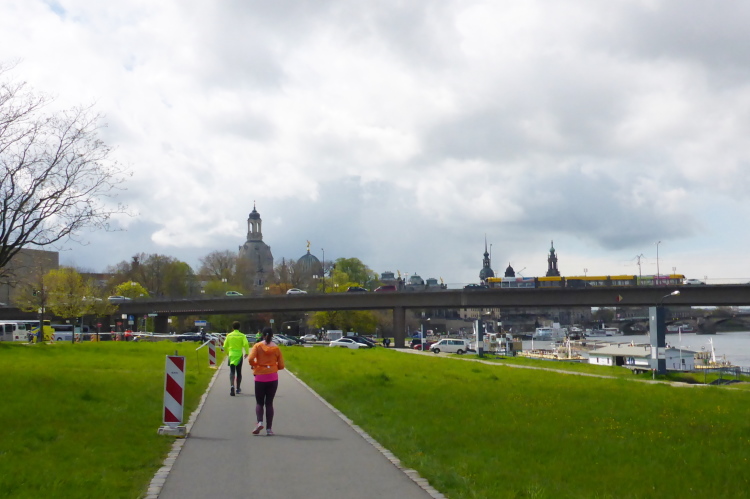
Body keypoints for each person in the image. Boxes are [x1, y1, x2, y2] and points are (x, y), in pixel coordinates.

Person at [248, 327, 285, 436]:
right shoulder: (276, 348)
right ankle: (269, 429)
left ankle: (259, 422)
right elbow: (282, 365)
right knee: (269, 403)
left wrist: (256, 365)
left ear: (262, 335)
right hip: (272, 377)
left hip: (260, 376)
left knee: (259, 402)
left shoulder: (257, 346)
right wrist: (273, 367)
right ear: (272, 336)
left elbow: (250, 359)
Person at [223, 321, 250, 396]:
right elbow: (246, 344)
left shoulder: (229, 335)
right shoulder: (242, 335)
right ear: (239, 327)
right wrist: (247, 352)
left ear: (232, 327)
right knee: (239, 372)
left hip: (231, 355)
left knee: (232, 371)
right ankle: (238, 388)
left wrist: (227, 352)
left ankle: (232, 386)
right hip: (239, 355)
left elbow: (224, 345)